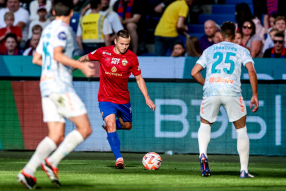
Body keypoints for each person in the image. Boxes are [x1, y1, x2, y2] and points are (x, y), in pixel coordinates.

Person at [17, 0, 95, 189]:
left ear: (52, 11)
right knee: (85, 129)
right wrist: (81, 65)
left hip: (46, 84)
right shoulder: (63, 29)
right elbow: (58, 54)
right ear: (71, 12)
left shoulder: (48, 28)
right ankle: (52, 162)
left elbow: (36, 59)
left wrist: (57, 67)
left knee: (56, 135)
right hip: (59, 85)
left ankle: (27, 171)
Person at [78, 30, 156, 169]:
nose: (124, 47)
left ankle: (109, 127)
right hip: (105, 98)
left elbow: (138, 78)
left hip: (123, 99)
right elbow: (84, 58)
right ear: (115, 41)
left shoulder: (132, 57)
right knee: (111, 124)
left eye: (127, 44)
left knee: (127, 126)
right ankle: (119, 158)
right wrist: (72, 68)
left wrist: (147, 98)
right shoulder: (103, 52)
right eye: (122, 43)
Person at [191, 21, 258, 178]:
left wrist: (207, 84)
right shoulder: (242, 50)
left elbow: (194, 72)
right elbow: (251, 70)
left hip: (211, 90)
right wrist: (254, 94)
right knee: (241, 130)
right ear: (235, 36)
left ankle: (202, 154)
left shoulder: (209, 50)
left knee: (205, 124)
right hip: (232, 91)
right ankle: (243, 170)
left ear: (220, 35)